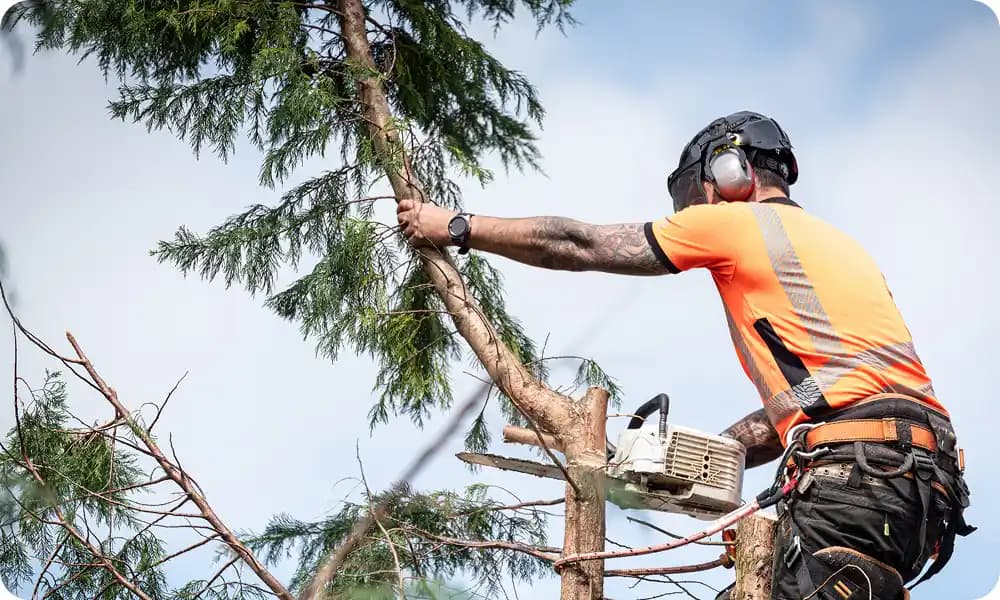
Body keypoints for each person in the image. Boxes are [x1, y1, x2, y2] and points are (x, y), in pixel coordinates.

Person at [396, 111, 974, 600]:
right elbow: (818, 401)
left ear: (729, 172)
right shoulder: (837, 251)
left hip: (858, 477)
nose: (696, 212)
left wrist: (454, 225)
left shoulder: (738, 222)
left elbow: (578, 244)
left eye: (697, 198)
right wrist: (699, 459)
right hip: (921, 493)